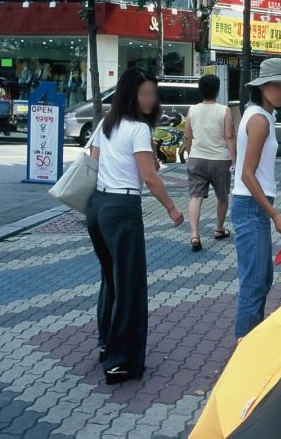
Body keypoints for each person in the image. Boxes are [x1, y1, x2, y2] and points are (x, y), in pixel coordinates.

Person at [86, 68, 185, 384]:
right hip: (122, 209)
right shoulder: (139, 128)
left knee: (111, 280)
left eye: (153, 93)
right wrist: (172, 208)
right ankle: (119, 362)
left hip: (97, 207)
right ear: (130, 94)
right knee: (129, 286)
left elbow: (94, 162)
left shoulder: (107, 123)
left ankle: (107, 344)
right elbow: (150, 177)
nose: (150, 99)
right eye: (144, 93)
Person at [232, 58, 281, 339]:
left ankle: (250, 341)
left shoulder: (262, 115)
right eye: (279, 85)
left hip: (253, 204)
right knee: (254, 283)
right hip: (251, 205)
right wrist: (274, 214)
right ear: (263, 86)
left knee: (260, 279)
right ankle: (245, 347)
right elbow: (247, 174)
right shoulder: (259, 119)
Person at [184, 74, 236, 252]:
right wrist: (234, 160)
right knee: (222, 196)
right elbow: (229, 136)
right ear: (217, 90)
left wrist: (190, 154)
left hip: (197, 158)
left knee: (195, 197)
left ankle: (194, 234)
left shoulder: (192, 110)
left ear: (200, 90)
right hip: (220, 160)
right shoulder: (224, 110)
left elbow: (187, 136)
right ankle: (219, 229)